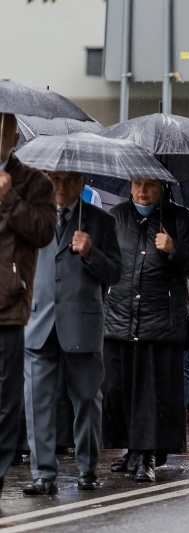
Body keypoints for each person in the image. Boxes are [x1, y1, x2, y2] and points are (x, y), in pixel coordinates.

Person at [102, 178, 189, 482]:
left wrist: (174, 249)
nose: (142, 191)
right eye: (137, 184)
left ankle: (146, 454)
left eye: (149, 185)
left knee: (151, 392)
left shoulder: (179, 218)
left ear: (162, 187)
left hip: (160, 318)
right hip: (119, 317)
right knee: (116, 387)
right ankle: (132, 448)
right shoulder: (117, 216)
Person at [22, 171, 121, 495]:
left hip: (82, 323)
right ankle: (43, 474)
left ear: (82, 182)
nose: (62, 187)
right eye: (56, 180)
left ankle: (87, 469)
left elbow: (115, 273)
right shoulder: (34, 216)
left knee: (87, 401)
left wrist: (91, 252)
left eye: (70, 180)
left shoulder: (101, 221)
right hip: (39, 322)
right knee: (37, 401)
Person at [0, 113, 57, 498]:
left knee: (5, 400)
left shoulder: (35, 182)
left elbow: (42, 232)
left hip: (9, 304)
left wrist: (8, 197)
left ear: (14, 136)